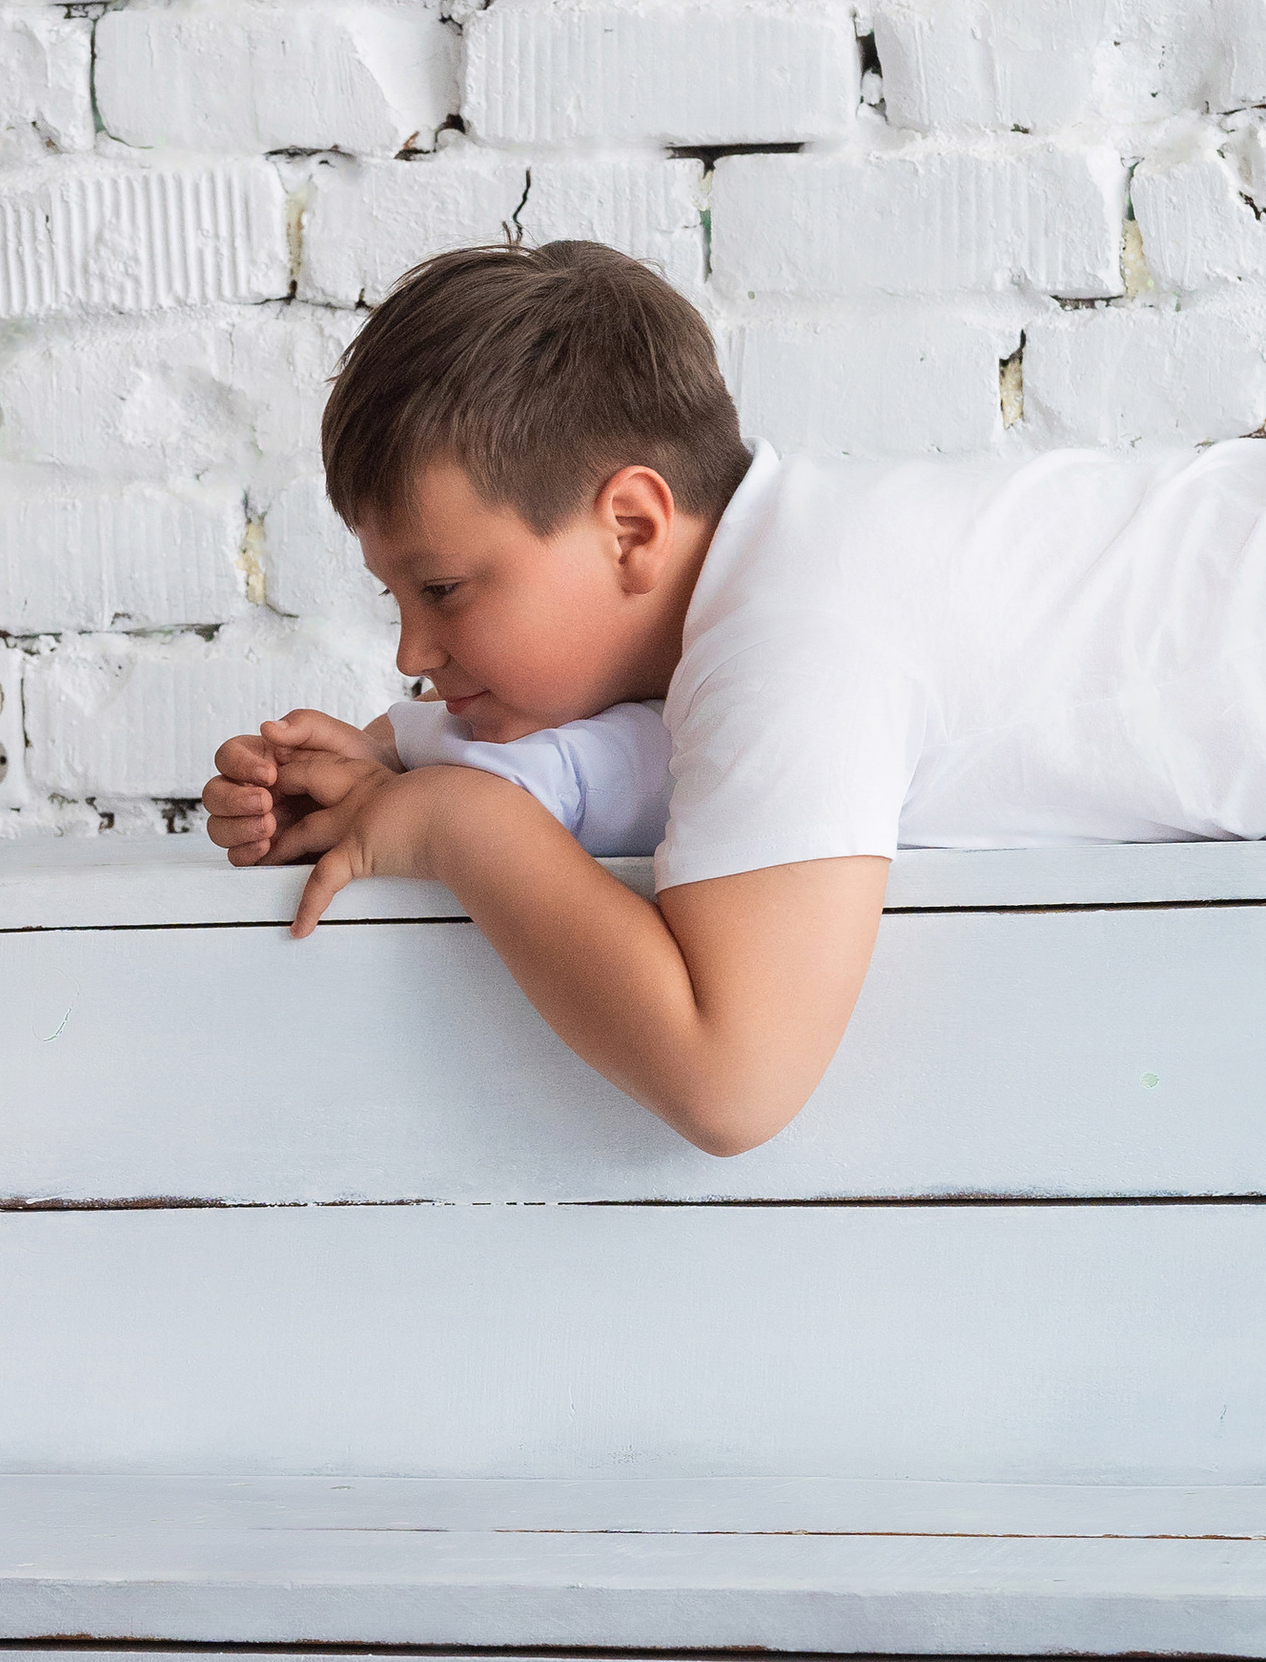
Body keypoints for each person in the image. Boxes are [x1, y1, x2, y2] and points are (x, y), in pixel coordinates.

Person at [205, 237, 1266, 1159]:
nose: (407, 648)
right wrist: (394, 753)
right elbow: (632, 739)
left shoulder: (794, 631)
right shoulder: (789, 562)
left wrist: (457, 823)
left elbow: (733, 1081)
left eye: (441, 589)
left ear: (629, 527)